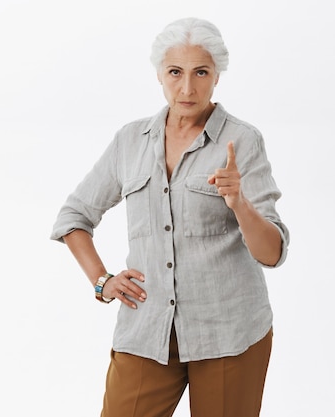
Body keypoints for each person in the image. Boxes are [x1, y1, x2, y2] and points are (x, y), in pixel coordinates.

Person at [50, 17, 290, 417]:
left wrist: (239, 201)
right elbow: (74, 216)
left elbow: (273, 252)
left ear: (217, 76)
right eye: (175, 72)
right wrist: (102, 282)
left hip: (229, 332)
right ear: (159, 74)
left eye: (201, 73)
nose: (187, 88)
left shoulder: (243, 141)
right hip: (147, 331)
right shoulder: (131, 141)